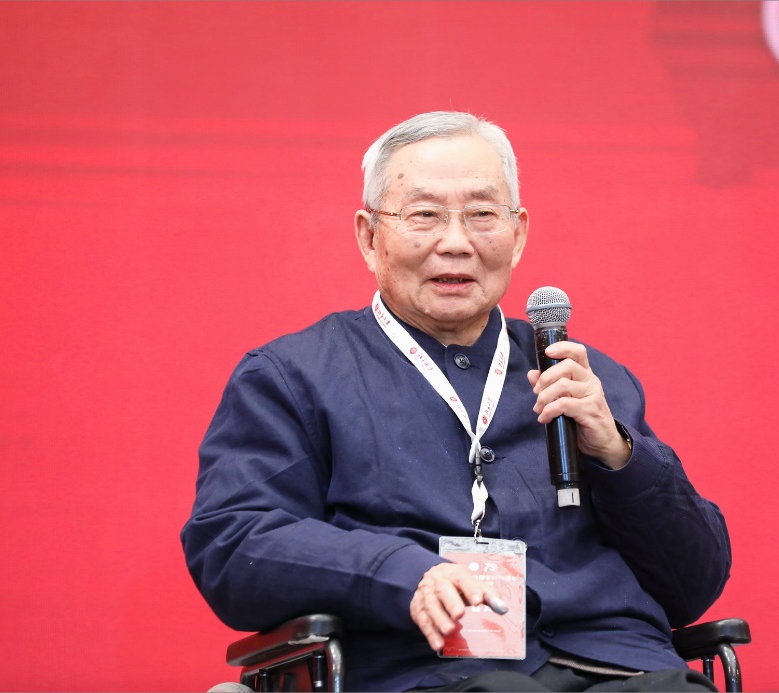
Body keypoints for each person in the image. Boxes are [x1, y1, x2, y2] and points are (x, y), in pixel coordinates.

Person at [182, 112, 731, 692]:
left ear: (518, 234)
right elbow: (235, 543)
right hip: (425, 671)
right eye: (424, 215)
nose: (455, 243)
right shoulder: (295, 376)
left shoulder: (585, 379)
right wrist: (400, 573)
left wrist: (619, 455)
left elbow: (692, 586)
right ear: (369, 236)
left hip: (616, 664)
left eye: (482, 215)